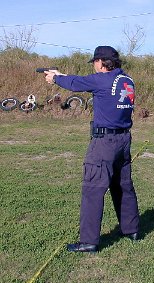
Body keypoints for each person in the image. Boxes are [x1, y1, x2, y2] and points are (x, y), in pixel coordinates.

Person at [45, 46, 140, 252]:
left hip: (104, 142)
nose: (94, 66)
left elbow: (76, 83)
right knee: (123, 185)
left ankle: (88, 241)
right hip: (123, 140)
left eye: (95, 62)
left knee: (92, 189)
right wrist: (61, 75)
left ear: (101, 62)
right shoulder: (127, 80)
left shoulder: (102, 80)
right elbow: (81, 80)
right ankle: (131, 229)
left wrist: (55, 79)